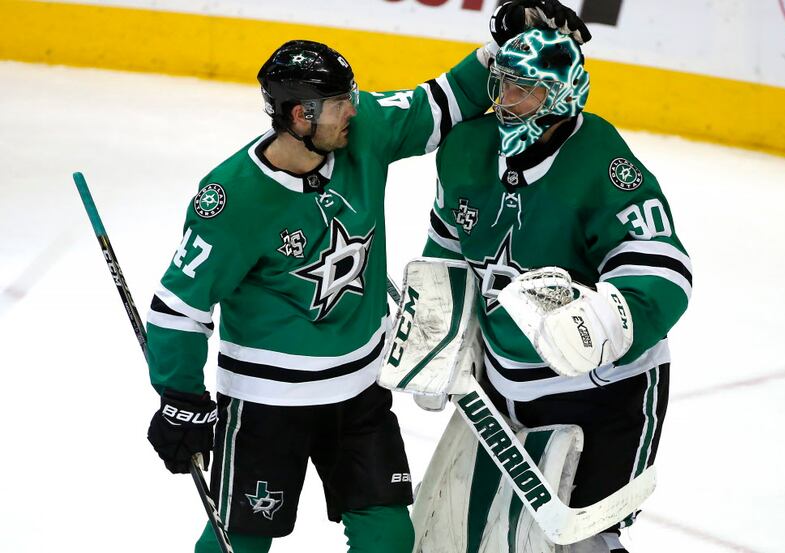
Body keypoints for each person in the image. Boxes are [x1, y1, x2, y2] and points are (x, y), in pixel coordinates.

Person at [143, 4, 591, 553]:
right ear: (301, 116)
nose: (353, 110)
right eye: (339, 104)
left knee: (388, 538)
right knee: (240, 544)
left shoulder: (362, 133)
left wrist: (506, 47)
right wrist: (180, 398)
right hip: (267, 405)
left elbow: (443, 100)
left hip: (358, 394)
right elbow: (177, 309)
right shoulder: (232, 199)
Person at [422, 28, 692, 552]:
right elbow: (448, 247)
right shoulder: (465, 149)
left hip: (604, 393)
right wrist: (439, 331)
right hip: (502, 390)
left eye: (528, 89)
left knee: (586, 542)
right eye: (503, 85)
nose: (508, 102)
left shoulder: (600, 160)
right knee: (485, 534)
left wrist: (607, 321)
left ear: (565, 93)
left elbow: (662, 264)